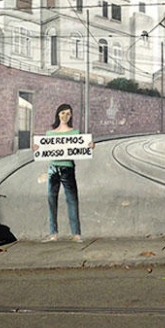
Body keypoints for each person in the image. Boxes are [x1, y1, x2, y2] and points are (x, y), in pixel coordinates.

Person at [44, 103, 91, 242]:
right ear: (58, 114)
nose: (65, 116)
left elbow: (81, 147)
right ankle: (53, 233)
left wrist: (89, 145)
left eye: (68, 113)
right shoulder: (50, 133)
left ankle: (76, 234)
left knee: (72, 200)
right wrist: (37, 147)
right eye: (63, 113)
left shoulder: (75, 133)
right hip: (53, 168)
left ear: (71, 116)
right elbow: (44, 149)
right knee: (51, 201)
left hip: (67, 168)